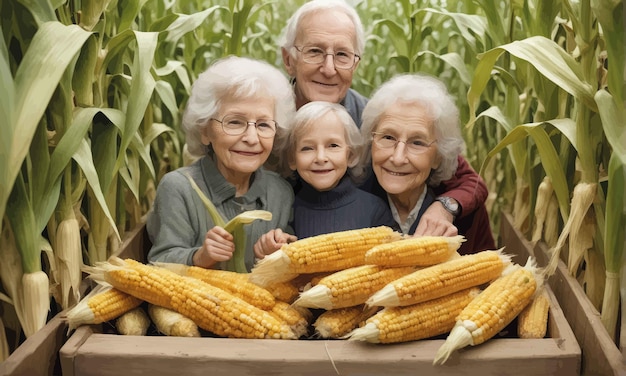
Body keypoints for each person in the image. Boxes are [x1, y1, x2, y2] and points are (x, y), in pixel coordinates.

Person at [279, 0, 489, 238]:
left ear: (356, 64)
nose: (329, 69)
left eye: (342, 55)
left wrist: (445, 206)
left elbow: (469, 181)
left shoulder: (374, 122)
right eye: (314, 51)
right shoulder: (267, 122)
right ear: (289, 60)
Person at [146, 56, 297, 272]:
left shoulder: (280, 193)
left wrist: (276, 253)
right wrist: (199, 257)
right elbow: (159, 261)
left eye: (263, 124)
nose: (252, 138)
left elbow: (284, 273)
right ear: (205, 130)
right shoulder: (178, 187)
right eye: (235, 122)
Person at [359, 73, 495, 254]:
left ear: (439, 156)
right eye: (388, 137)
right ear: (371, 140)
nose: (398, 158)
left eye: (417, 143)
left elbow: (491, 274)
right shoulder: (352, 202)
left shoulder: (467, 216)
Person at [259, 101, 397, 252]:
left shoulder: (374, 209)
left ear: (350, 155)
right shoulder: (285, 209)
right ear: (292, 159)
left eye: (333, 146)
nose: (320, 157)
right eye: (307, 148)